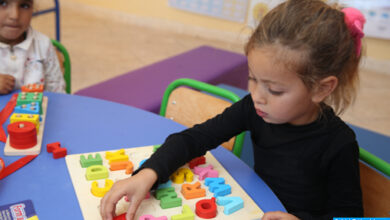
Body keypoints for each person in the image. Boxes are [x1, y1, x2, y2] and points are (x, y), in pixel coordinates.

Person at [100, 0, 365, 219]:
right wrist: (149, 173)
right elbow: (194, 138)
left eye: (274, 90)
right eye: (252, 78)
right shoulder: (254, 108)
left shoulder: (339, 143)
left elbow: (349, 216)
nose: (257, 96)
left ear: (322, 89)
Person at [0, 0, 66, 94]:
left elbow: (59, 95)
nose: (14, 16)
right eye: (2, 3)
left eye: (24, 5)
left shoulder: (43, 45)